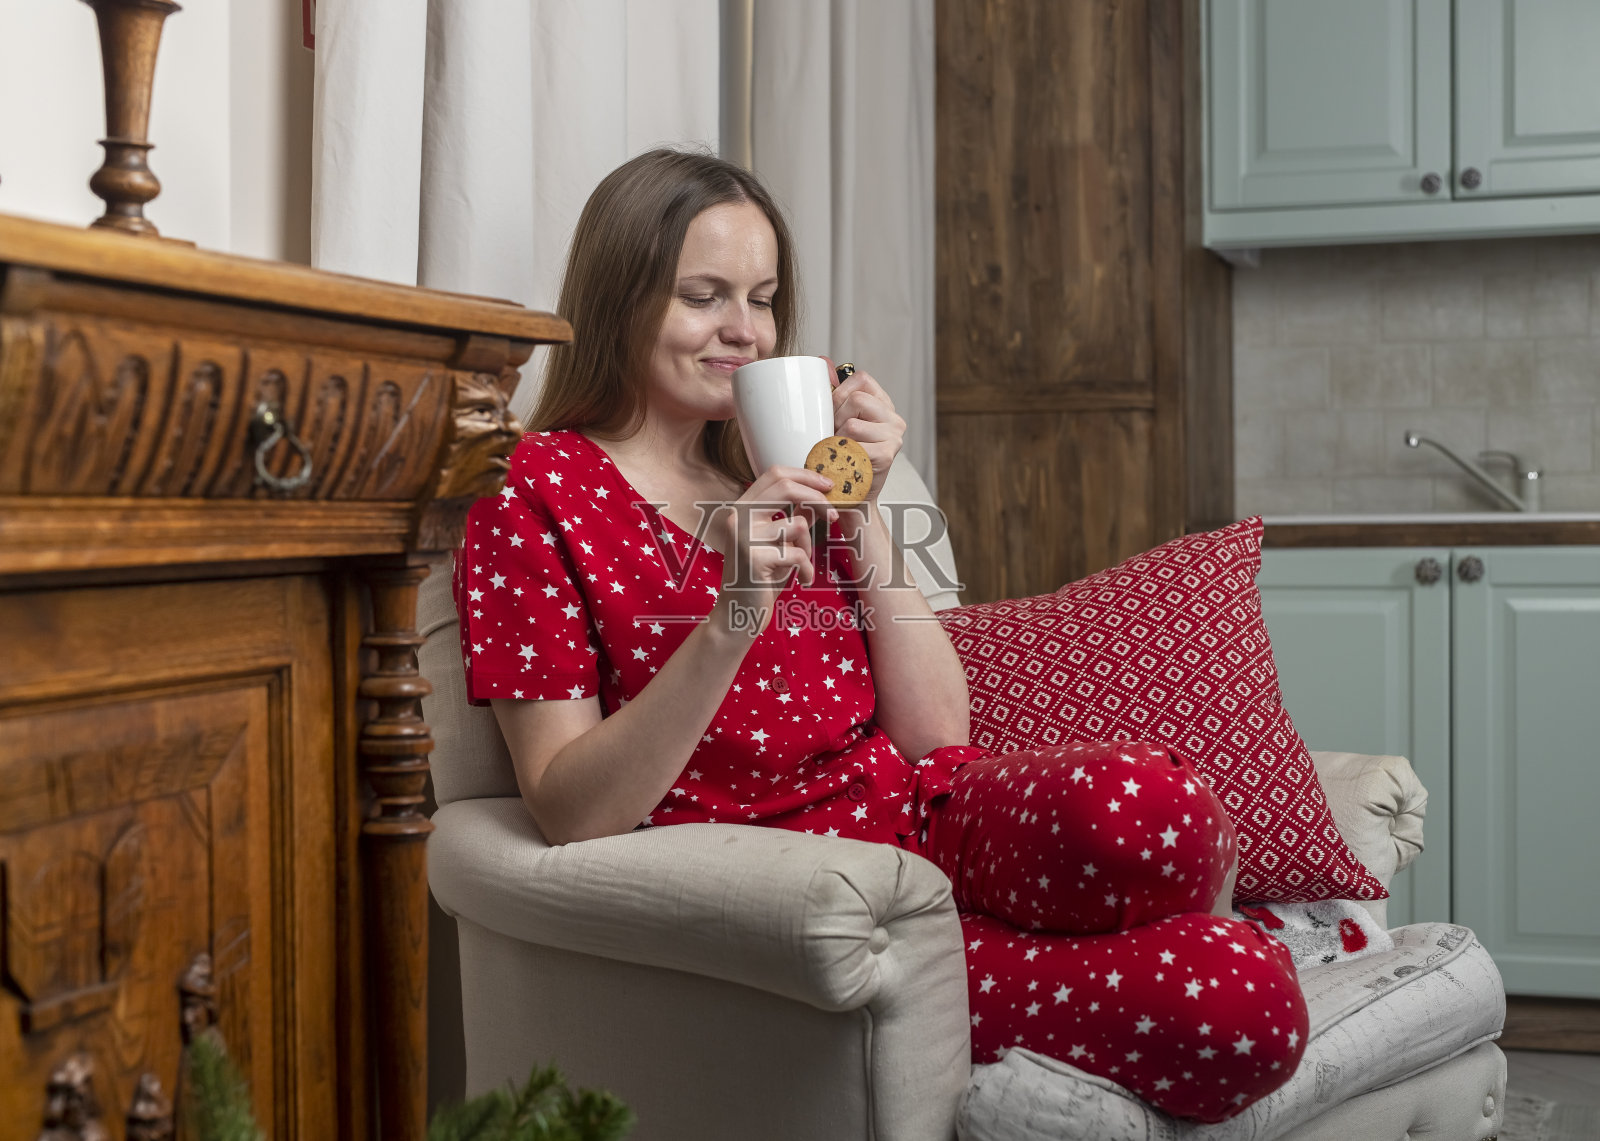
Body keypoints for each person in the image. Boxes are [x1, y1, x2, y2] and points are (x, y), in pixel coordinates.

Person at [454, 148, 1307, 1123]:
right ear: (618, 299)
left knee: (1160, 805)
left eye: (762, 299)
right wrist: (735, 611)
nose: (743, 331)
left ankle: (1063, 984)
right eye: (702, 296)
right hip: (826, 900)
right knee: (1245, 1002)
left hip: (917, 818)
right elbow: (569, 807)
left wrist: (858, 510)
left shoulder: (770, 468)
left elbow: (938, 735)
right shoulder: (532, 494)